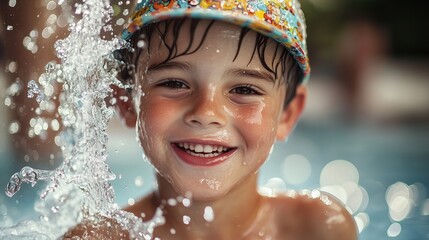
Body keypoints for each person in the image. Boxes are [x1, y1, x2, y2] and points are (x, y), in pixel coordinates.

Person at [71, 0, 358, 239]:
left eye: (244, 90)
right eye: (174, 83)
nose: (206, 113)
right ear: (127, 103)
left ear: (287, 114)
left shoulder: (318, 228)